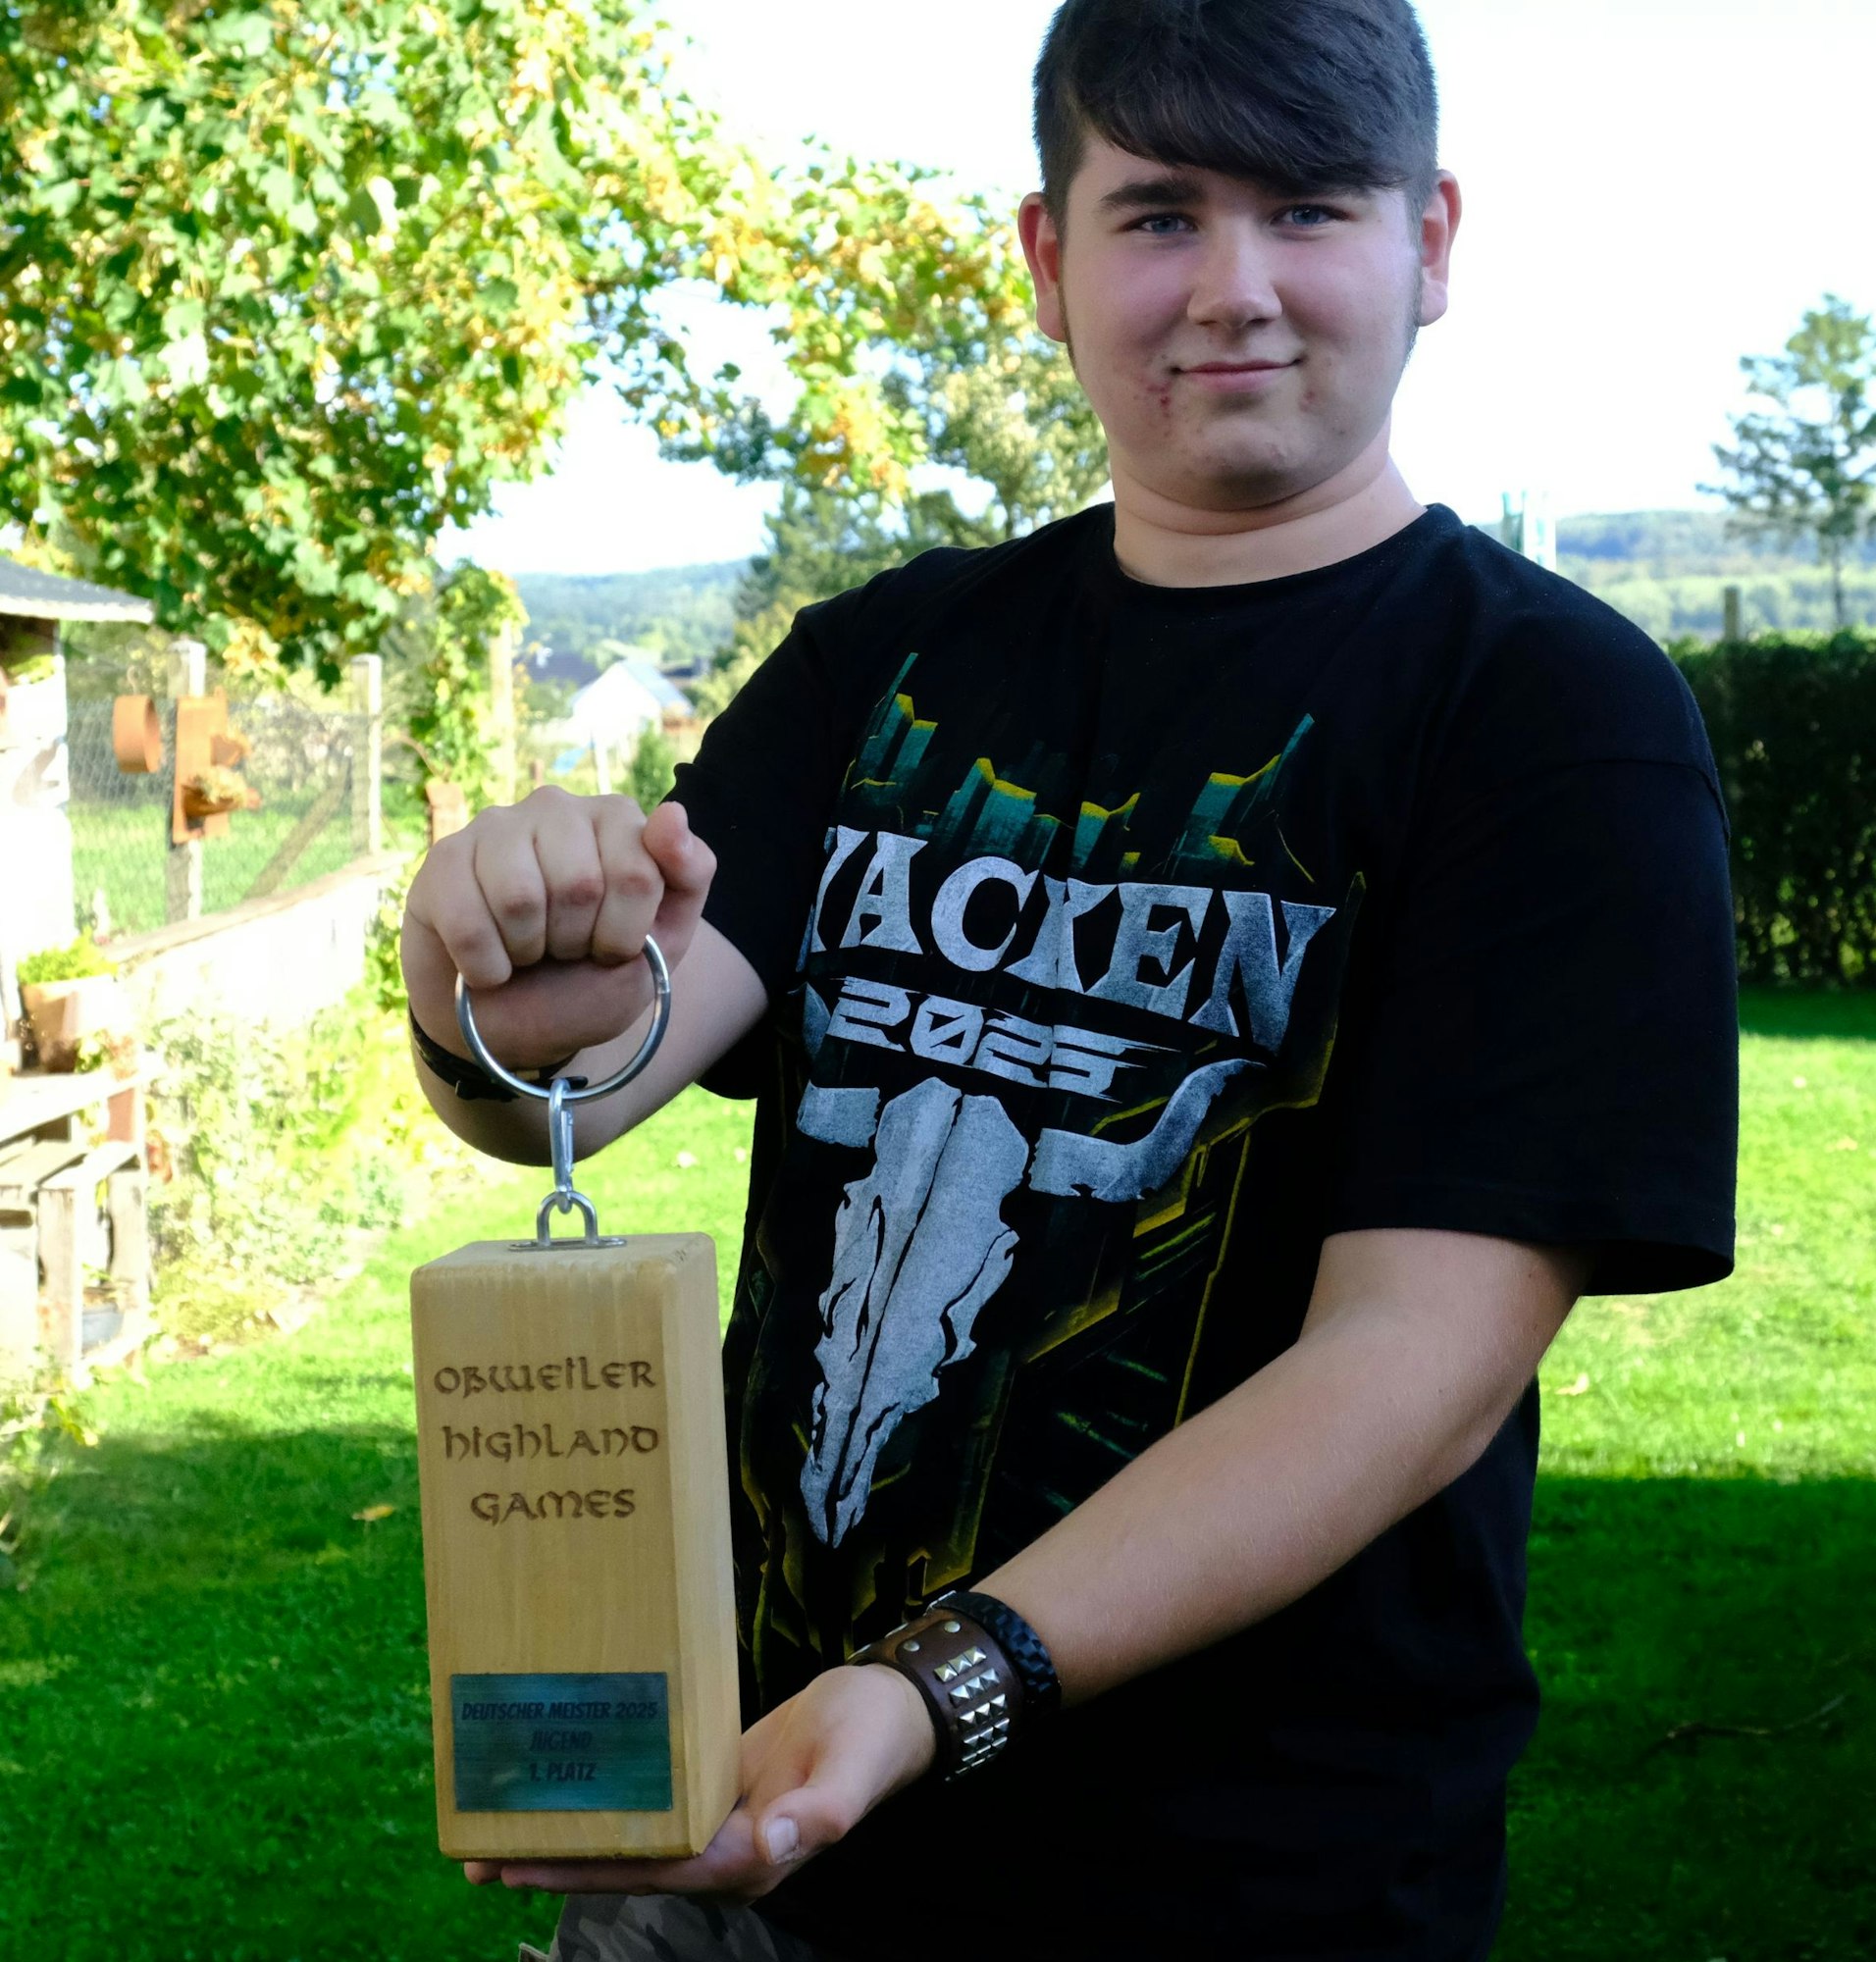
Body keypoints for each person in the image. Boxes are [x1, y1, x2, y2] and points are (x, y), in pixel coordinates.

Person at [401, 1, 1740, 1956]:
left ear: (1429, 242)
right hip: (750, 1827)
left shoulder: (1544, 719)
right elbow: (574, 1078)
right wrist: (484, 961)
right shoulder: (892, 659)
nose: (1234, 288)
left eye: (1305, 209)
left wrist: (935, 1689)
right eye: (1157, 214)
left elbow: (1411, 1365)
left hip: (1241, 1885)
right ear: (1048, 258)